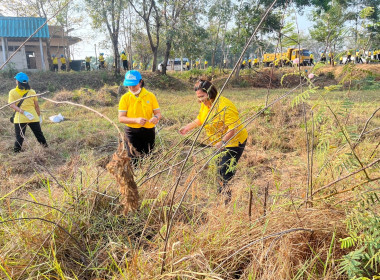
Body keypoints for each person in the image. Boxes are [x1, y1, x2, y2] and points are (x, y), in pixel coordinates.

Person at [179, 79, 248, 204]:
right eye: (198, 97)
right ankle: (221, 196)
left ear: (210, 93)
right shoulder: (206, 104)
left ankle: (225, 203)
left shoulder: (224, 106)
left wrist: (222, 142)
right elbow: (201, 118)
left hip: (232, 142)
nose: (199, 100)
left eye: (202, 97)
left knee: (225, 172)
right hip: (218, 143)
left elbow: (233, 128)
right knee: (218, 169)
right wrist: (188, 127)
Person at [118, 70, 162, 164]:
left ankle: (148, 176)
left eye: (134, 85)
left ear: (140, 82)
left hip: (148, 131)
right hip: (131, 132)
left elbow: (158, 113)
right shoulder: (125, 98)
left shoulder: (150, 96)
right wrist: (136, 120)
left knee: (148, 156)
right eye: (129, 85)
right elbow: (121, 118)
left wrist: (156, 118)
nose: (131, 88)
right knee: (133, 158)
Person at [8, 72, 48, 153]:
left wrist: (23, 112)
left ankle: (16, 153)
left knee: (19, 137)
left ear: (17, 81)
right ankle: (47, 149)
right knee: (39, 135)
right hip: (33, 117)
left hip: (20, 118)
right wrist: (39, 116)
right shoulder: (32, 91)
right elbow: (37, 106)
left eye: (16, 79)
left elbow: (12, 105)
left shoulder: (12, 92)